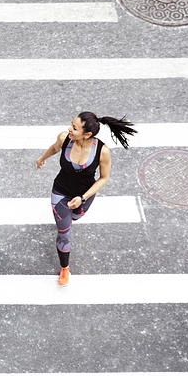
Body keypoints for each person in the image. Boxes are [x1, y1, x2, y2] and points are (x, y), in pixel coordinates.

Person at [35, 112, 136, 285]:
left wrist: (82, 198)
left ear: (87, 134)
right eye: (71, 125)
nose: (69, 129)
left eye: (74, 128)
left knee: (76, 216)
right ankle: (65, 268)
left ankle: (70, 217)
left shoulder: (102, 151)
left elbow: (104, 178)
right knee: (64, 233)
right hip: (60, 192)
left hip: (84, 195)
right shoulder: (64, 138)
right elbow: (54, 147)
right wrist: (42, 158)